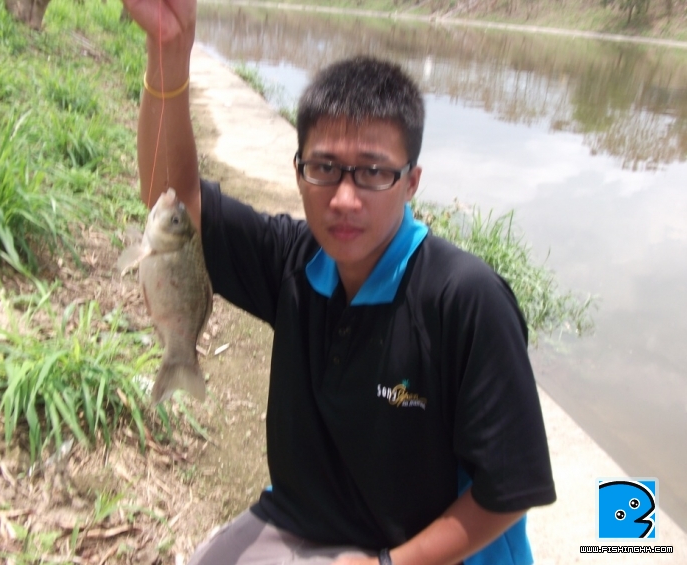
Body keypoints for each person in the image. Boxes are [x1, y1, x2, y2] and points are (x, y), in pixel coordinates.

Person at [122, 1, 557, 563]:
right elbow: (172, 198)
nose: (345, 199)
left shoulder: (465, 299)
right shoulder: (294, 262)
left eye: (373, 172)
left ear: (412, 182)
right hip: (304, 519)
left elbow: (509, 490)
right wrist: (168, 50)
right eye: (324, 168)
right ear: (299, 171)